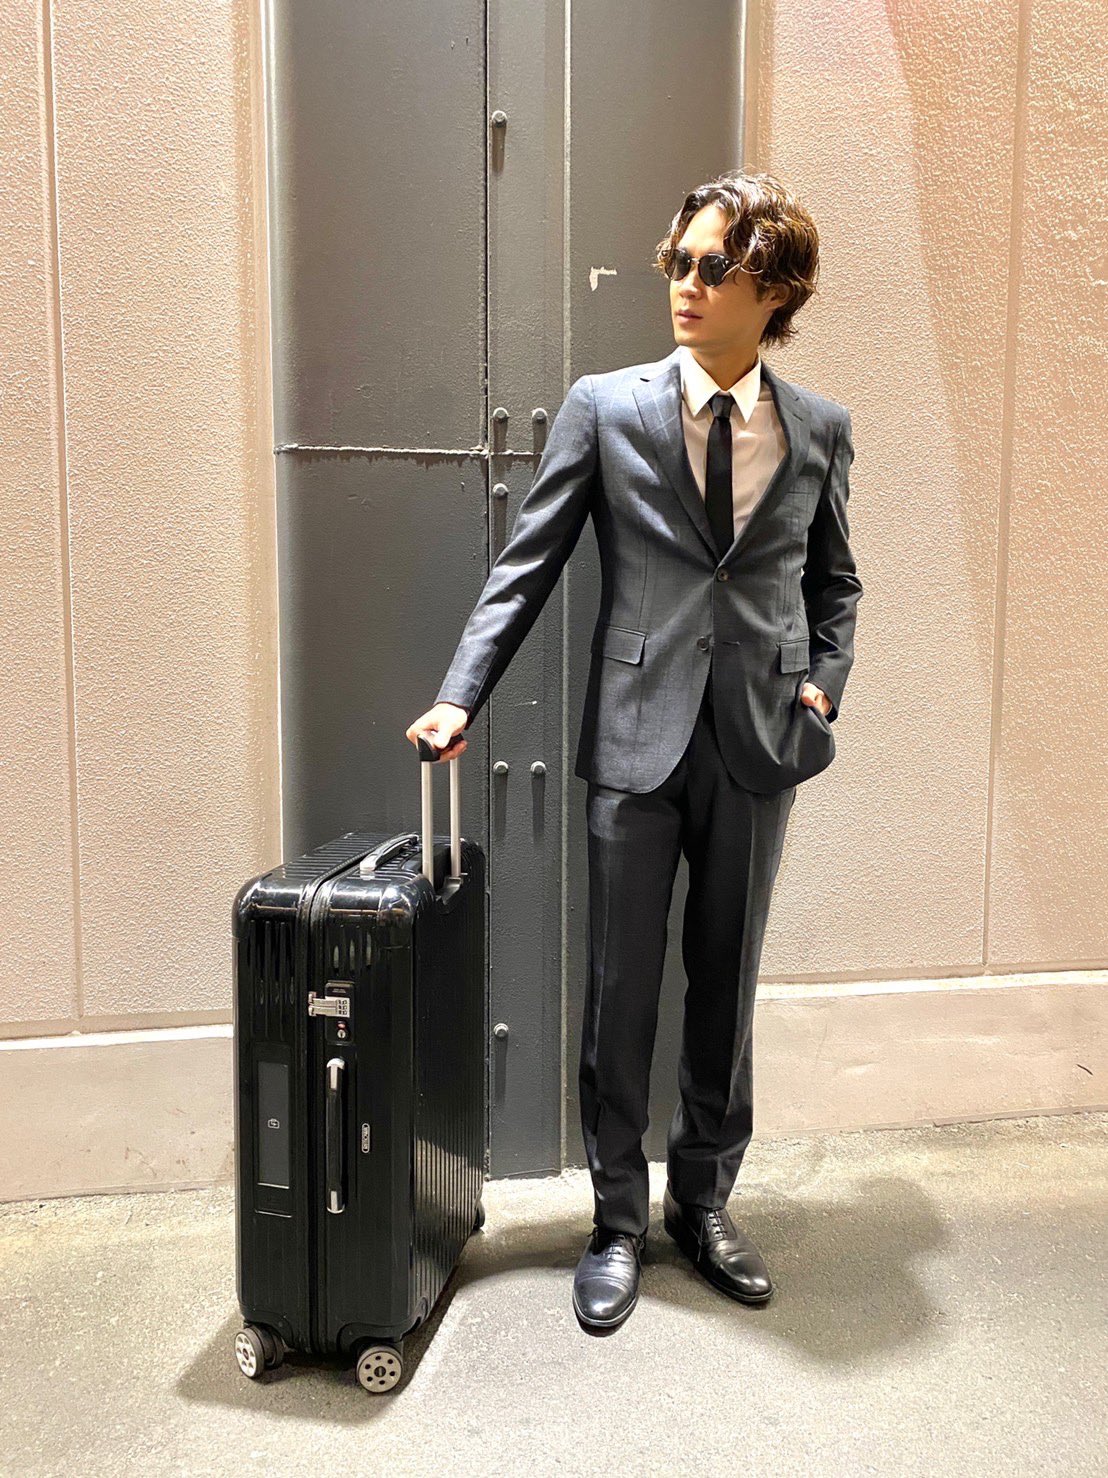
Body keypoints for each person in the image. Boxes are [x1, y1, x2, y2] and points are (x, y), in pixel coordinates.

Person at [406, 169, 862, 1332]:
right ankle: (615, 1219)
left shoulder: (816, 429)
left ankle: (701, 1203)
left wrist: (822, 684)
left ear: (773, 290)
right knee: (619, 990)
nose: (686, 284)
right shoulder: (605, 408)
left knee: (726, 983)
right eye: (679, 261)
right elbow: (528, 563)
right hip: (632, 742)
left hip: (759, 741)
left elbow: (835, 581)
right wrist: (461, 694)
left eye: (714, 266)